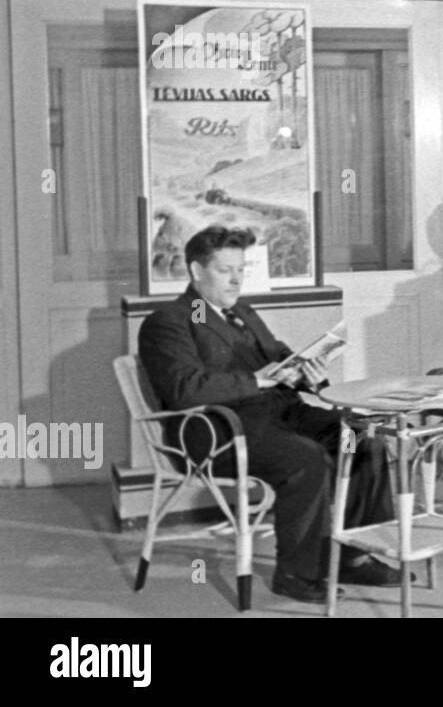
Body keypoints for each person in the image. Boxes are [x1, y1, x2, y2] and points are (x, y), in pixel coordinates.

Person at [138, 225, 402, 603]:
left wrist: (305, 374)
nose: (235, 279)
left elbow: (279, 357)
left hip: (279, 413)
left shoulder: (242, 312)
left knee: (360, 438)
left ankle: (352, 556)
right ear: (197, 271)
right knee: (304, 459)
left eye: (240, 269)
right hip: (218, 429)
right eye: (225, 270)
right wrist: (256, 381)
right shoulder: (171, 320)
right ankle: (296, 573)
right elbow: (182, 389)